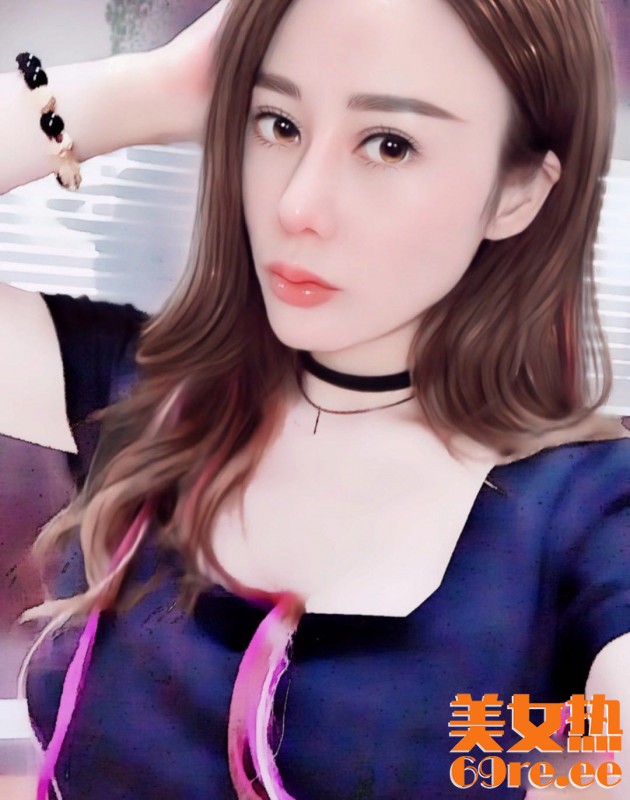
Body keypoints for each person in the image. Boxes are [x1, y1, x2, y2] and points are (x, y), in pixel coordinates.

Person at [0, 0, 629, 797]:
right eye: (279, 126)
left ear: (518, 191)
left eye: (390, 144)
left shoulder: (591, 512)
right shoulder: (142, 393)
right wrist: (153, 88)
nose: (297, 205)